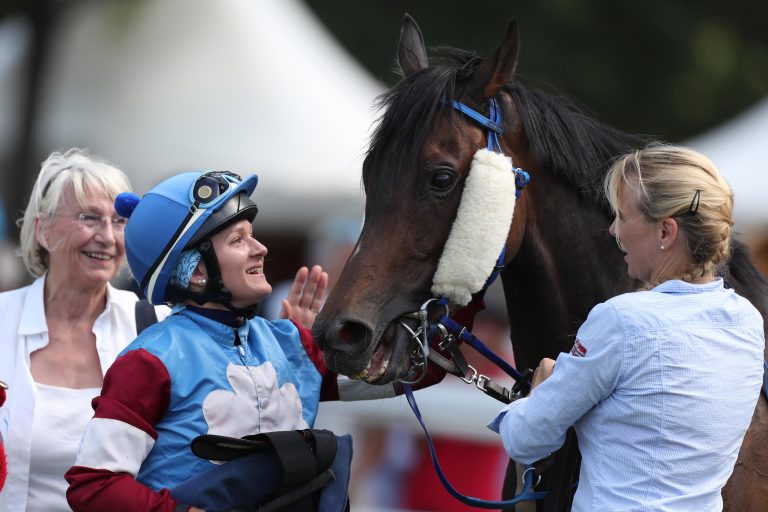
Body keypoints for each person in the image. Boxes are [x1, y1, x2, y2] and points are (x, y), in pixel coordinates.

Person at [488, 144, 765, 511]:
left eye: (624, 216)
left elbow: (526, 438)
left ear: (666, 231)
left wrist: (534, 398)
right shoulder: (748, 322)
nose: (613, 229)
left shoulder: (621, 320)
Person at [63, 170, 336, 511]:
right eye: (238, 240)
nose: (260, 249)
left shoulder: (292, 341)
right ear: (196, 272)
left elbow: (406, 368)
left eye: (252, 236)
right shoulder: (149, 360)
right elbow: (94, 486)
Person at [0, 148, 168, 512]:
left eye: (120, 221)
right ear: (42, 230)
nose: (108, 237)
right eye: (89, 218)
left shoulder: (158, 328)